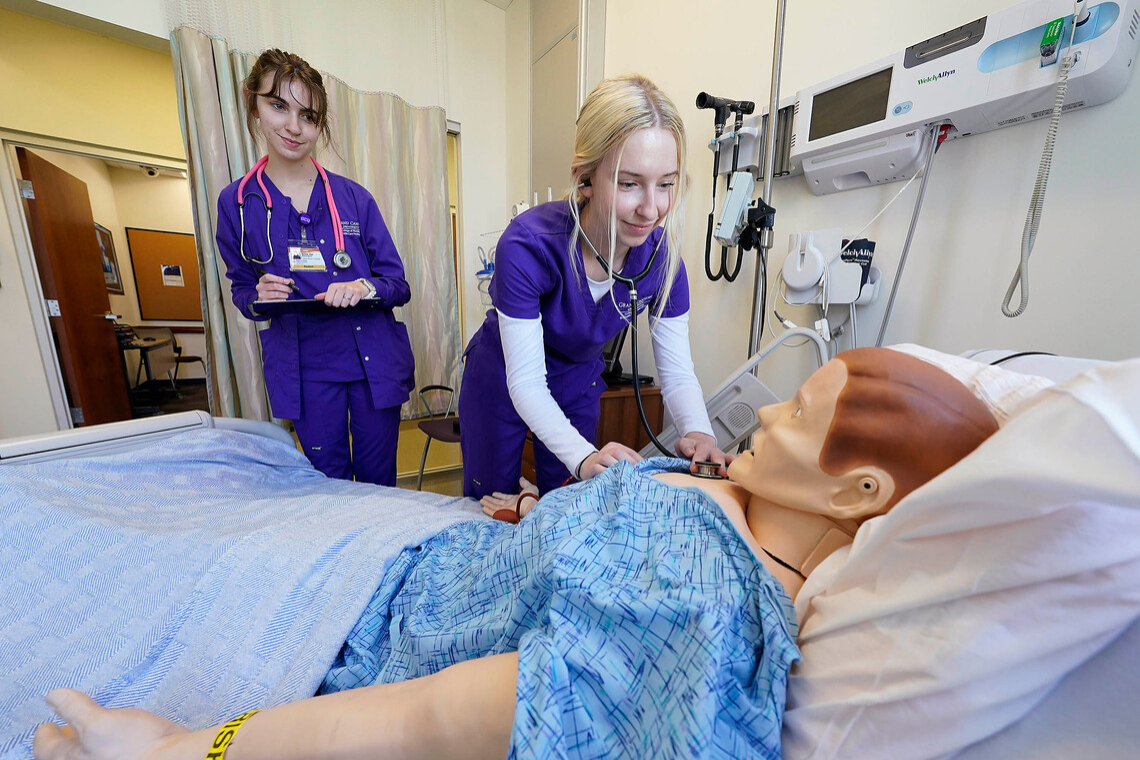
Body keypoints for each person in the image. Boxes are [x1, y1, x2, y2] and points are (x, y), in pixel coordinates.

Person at [32, 348, 999, 760]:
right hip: (411, 544)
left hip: (377, 613)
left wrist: (187, 745)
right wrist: (534, 509)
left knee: (82, 520)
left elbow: (438, 718)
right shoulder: (725, 496)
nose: (771, 412)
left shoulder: (694, 602)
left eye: (801, 415)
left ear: (858, 493)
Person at [459, 74, 728, 500]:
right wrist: (583, 457)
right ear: (584, 178)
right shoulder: (529, 245)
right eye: (629, 183)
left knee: (567, 502)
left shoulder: (663, 260)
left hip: (577, 384)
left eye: (667, 184)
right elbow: (526, 382)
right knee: (489, 506)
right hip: (504, 378)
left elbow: (677, 372)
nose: (651, 208)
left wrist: (698, 431)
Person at [215, 49, 414, 486]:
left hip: (372, 365)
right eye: (278, 106)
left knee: (380, 483)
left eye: (308, 115)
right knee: (327, 485)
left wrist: (363, 287)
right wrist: (257, 297)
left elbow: (397, 284)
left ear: (319, 124)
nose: (293, 126)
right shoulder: (236, 203)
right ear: (254, 105)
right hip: (305, 371)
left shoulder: (354, 198)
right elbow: (241, 289)